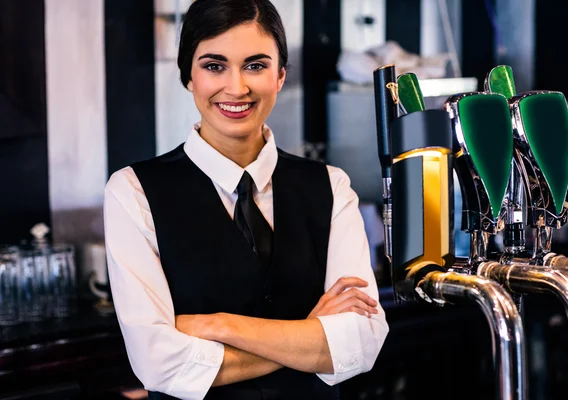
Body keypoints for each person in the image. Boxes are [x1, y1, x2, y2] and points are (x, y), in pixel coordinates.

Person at [104, 0, 389, 398]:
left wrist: (220, 325)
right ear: (189, 77)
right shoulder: (133, 191)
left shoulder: (331, 186)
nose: (236, 87)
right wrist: (309, 336)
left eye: (255, 65)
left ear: (280, 76)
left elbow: (361, 343)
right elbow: (160, 365)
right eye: (214, 66)